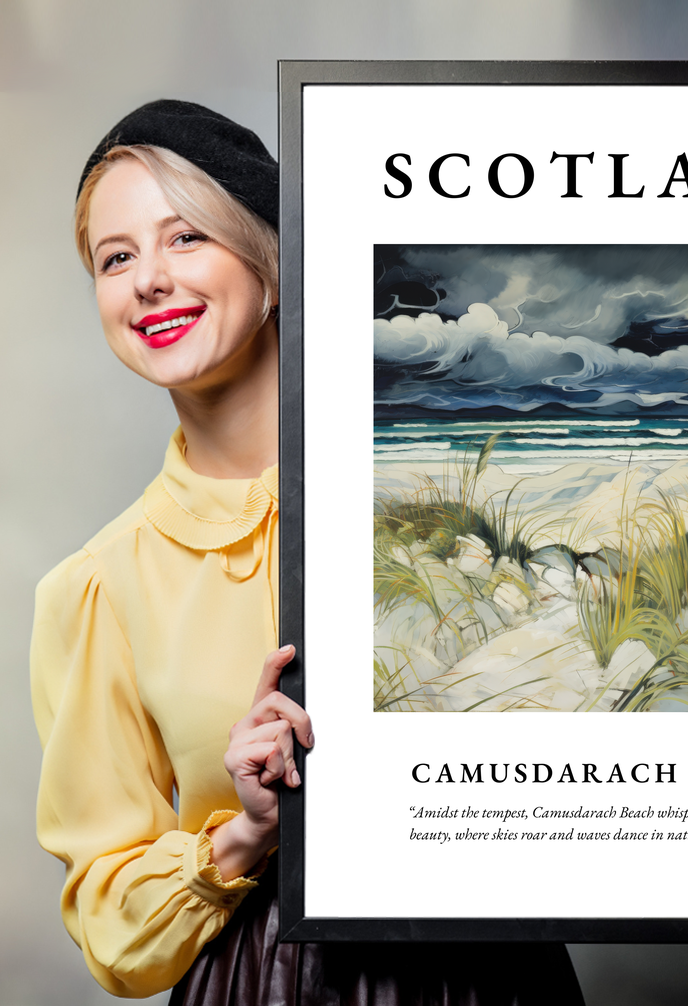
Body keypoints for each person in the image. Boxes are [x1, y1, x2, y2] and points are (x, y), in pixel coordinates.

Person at [30, 100, 585, 1004]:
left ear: (273, 265)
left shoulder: (442, 502)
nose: (148, 281)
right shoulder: (98, 586)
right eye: (116, 257)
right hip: (263, 982)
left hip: (492, 973)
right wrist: (245, 832)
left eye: (185, 239)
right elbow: (110, 923)